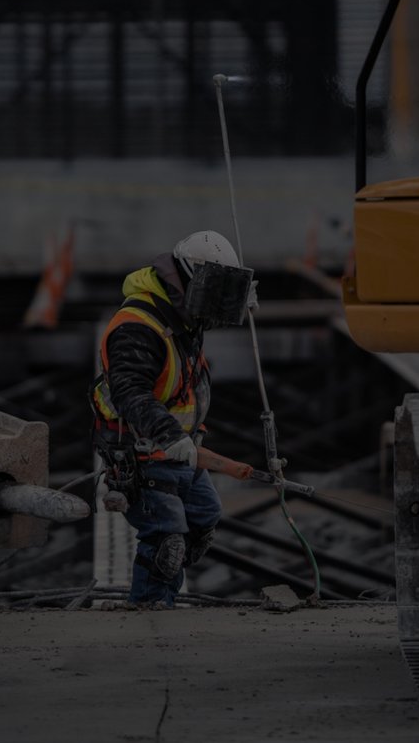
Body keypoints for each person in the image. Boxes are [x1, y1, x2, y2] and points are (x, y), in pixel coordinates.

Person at [89, 230, 251, 606]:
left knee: (204, 515)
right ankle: (149, 611)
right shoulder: (138, 326)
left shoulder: (184, 321)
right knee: (166, 537)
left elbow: (184, 388)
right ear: (188, 279)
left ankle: (164, 586)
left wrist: (188, 438)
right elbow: (130, 392)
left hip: (181, 450)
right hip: (142, 453)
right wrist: (168, 436)